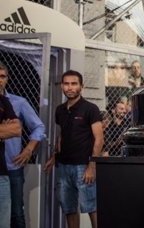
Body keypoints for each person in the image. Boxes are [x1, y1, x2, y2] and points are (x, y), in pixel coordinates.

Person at [45, 70, 103, 228]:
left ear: (81, 86)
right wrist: (54, 156)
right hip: (63, 167)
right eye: (66, 84)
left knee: (91, 207)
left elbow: (99, 138)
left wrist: (91, 166)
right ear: (62, 86)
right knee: (69, 209)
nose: (70, 87)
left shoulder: (90, 109)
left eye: (74, 84)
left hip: (83, 166)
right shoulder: (60, 110)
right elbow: (62, 135)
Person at [0, 62, 46, 228]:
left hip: (12, 165)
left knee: (16, 212)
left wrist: (29, 149)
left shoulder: (17, 102)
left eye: (2, 76)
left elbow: (38, 126)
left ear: (7, 79)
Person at [0, 83, 20, 228]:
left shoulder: (3, 101)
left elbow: (16, 129)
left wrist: (8, 129)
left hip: (1, 172)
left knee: (4, 222)